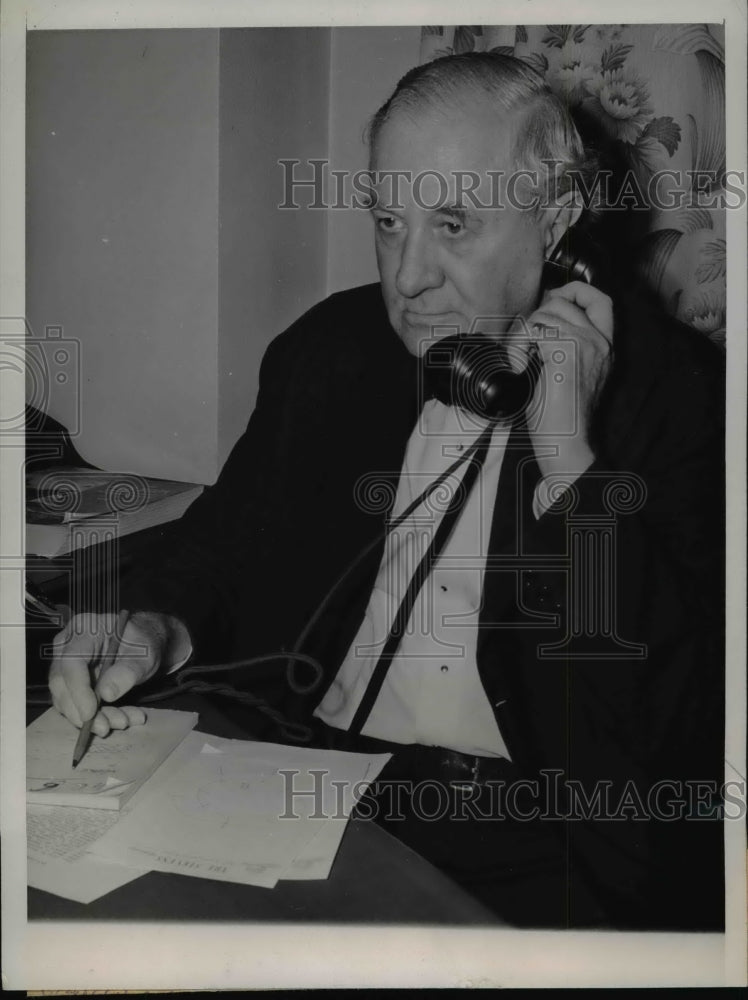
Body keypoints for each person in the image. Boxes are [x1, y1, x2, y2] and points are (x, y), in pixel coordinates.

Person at [47, 53, 725, 930]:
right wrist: (152, 624)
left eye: (454, 226)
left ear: (555, 221)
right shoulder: (329, 351)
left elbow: (670, 720)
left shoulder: (680, 399)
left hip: (541, 838)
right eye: (389, 222)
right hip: (305, 782)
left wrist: (571, 466)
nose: (407, 278)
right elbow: (220, 543)